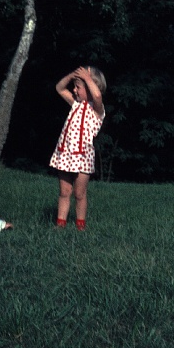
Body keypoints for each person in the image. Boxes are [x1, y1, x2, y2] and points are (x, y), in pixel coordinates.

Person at [49, 66, 106, 230]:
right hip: (65, 154)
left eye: (78, 87)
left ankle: (80, 226)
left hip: (82, 157)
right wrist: (72, 75)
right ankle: (60, 224)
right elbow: (59, 88)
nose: (74, 90)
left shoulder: (97, 111)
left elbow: (97, 95)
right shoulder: (75, 104)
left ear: (90, 87)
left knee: (79, 193)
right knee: (64, 191)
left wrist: (87, 79)